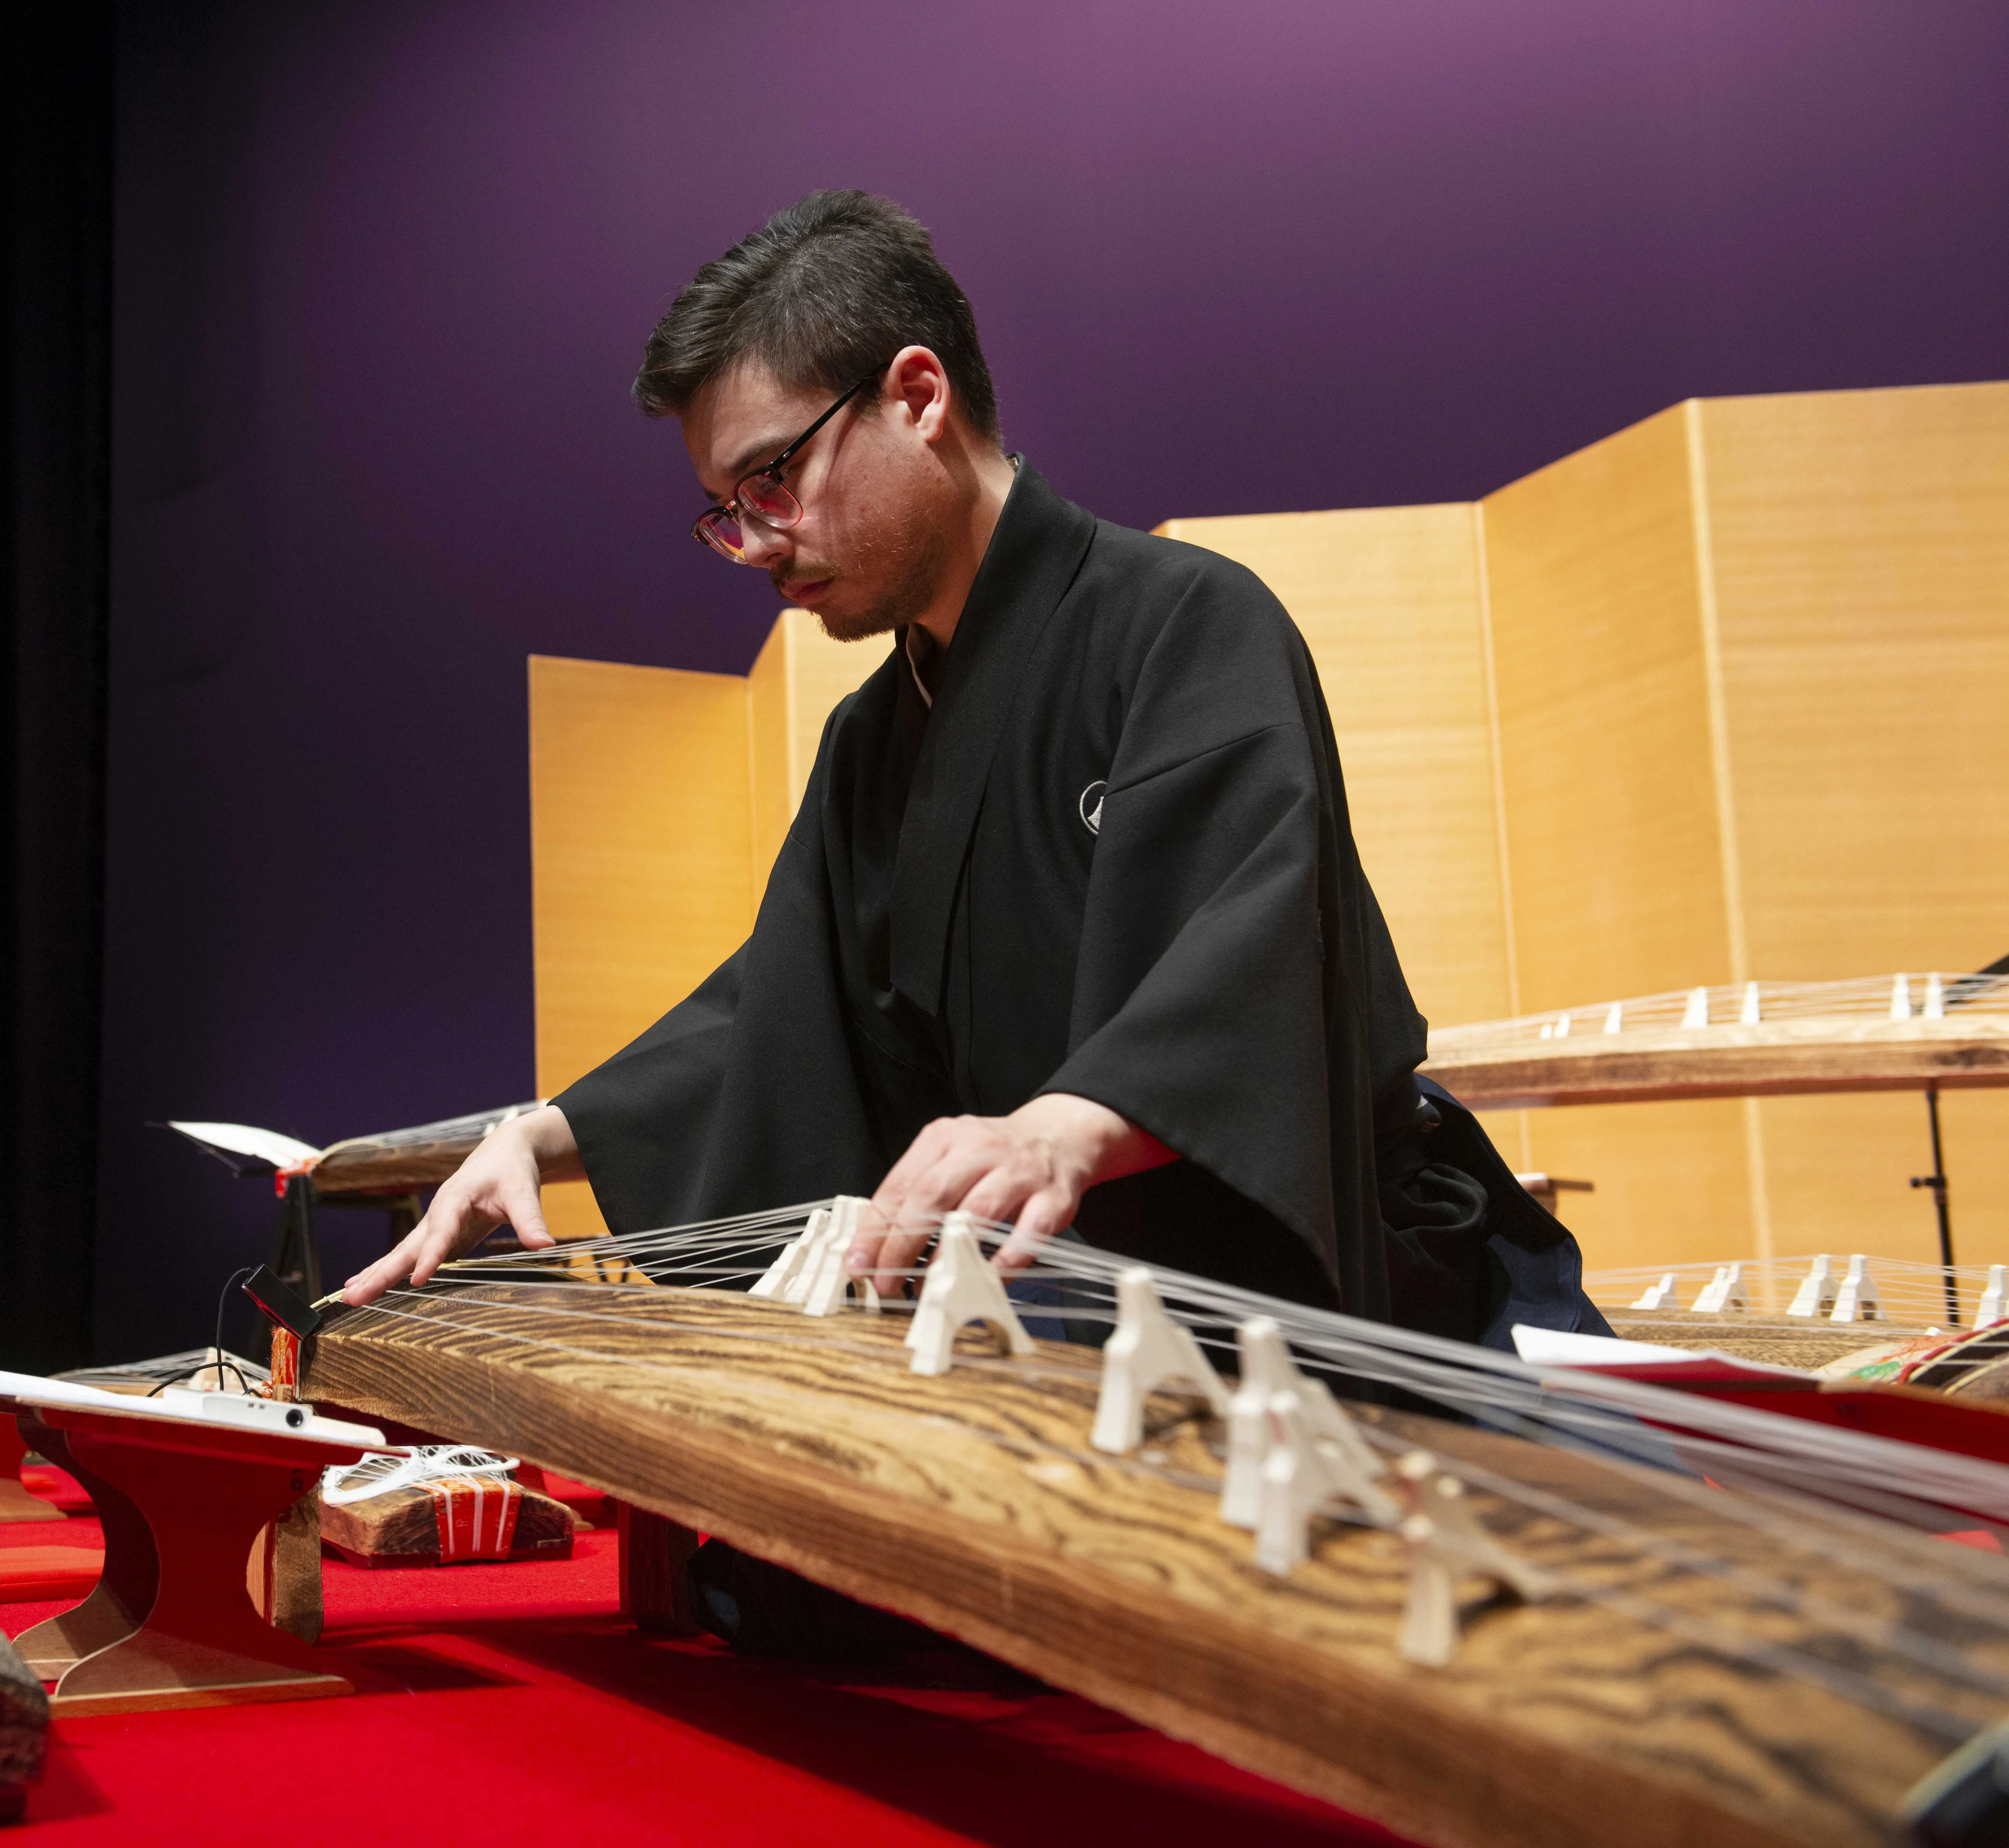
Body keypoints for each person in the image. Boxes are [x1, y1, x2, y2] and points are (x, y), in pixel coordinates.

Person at [342, 190, 1601, 1358]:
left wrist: (1072, 1122)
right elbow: (784, 1011)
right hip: (1081, 1306)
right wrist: (543, 1133)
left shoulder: (1186, 625)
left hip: (1339, 1293)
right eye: (728, 509)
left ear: (917, 396)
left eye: (773, 478)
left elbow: (1248, 952)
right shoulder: (872, 741)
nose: (756, 544)